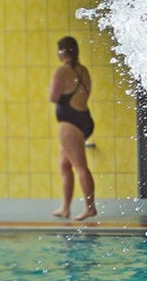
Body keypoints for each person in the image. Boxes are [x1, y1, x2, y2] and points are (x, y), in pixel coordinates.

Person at [49, 36, 97, 221]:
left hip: (70, 123)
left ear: (62, 52)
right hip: (84, 119)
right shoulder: (83, 71)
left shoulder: (61, 71)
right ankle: (65, 208)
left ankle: (90, 208)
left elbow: (53, 97)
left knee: (80, 167)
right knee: (64, 164)